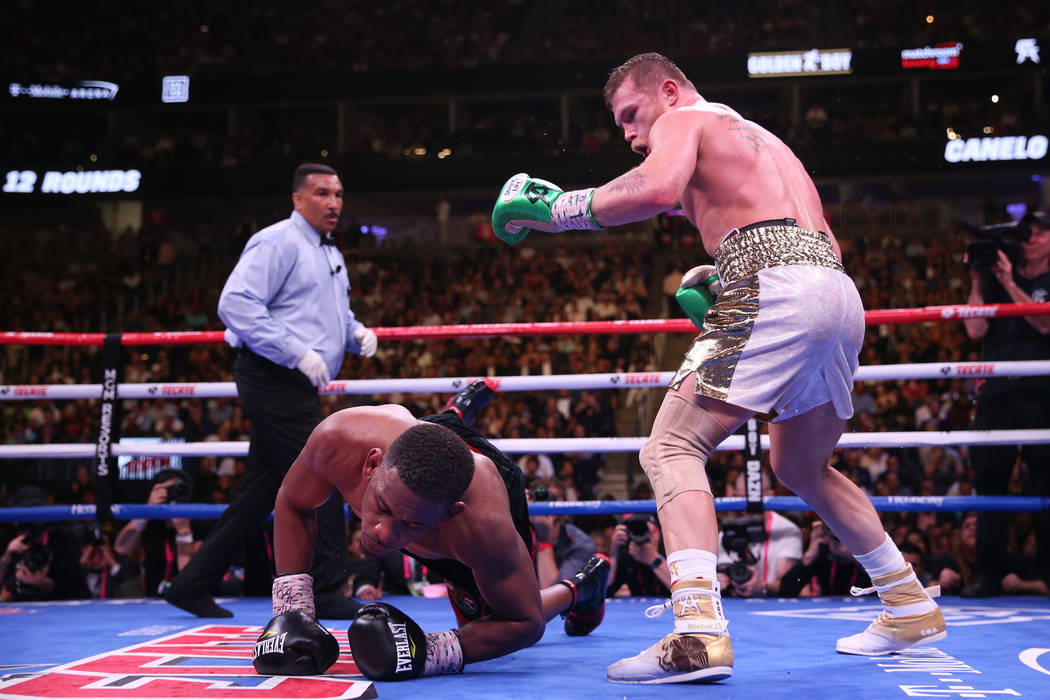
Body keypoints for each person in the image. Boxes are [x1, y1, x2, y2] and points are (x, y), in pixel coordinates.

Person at [490, 52, 945, 684]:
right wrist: (728, 275)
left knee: (671, 447)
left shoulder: (688, 120)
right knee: (800, 465)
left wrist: (557, 208)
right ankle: (907, 601)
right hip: (836, 292)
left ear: (669, 91)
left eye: (630, 115)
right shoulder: (765, 142)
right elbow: (805, 242)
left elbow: (652, 190)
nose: (627, 133)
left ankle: (698, 632)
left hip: (777, 284)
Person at [251, 380, 611, 680]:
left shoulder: (480, 528)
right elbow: (293, 502)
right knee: (430, 434)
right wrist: (293, 610)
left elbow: (525, 623)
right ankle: (454, 416)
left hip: (481, 481)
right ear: (372, 465)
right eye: (382, 507)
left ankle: (583, 585)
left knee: (485, 619)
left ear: (449, 514)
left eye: (409, 524)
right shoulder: (339, 441)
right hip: (425, 441)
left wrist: (429, 652)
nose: (384, 534)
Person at [163, 163, 379, 619]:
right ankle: (325, 587)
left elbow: (320, 313)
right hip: (272, 374)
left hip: (293, 379)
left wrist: (354, 332)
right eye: (322, 193)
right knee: (328, 471)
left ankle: (192, 582)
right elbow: (234, 304)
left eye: (338, 194)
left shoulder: (327, 251)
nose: (334, 203)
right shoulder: (277, 241)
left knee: (262, 492)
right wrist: (296, 351)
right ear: (298, 199)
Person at [962, 210, 1050, 597]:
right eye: (1024, 233)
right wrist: (980, 279)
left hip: (1042, 392)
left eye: (1036, 232)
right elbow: (975, 327)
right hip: (998, 392)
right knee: (989, 485)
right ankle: (988, 575)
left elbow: (1045, 324)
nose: (1028, 238)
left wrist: (1010, 283)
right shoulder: (997, 276)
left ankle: (1047, 574)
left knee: (1045, 484)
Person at [113, 469, 203, 597]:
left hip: (188, 598)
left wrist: (184, 533)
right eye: (168, 490)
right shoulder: (151, 522)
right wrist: (147, 511)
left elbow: (189, 579)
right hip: (151, 598)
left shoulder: (199, 520)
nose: (173, 494)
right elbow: (121, 548)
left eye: (178, 489)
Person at [529, 480, 598, 589]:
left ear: (562, 504)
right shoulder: (517, 536)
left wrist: (544, 541)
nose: (542, 503)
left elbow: (555, 595)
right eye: (537, 497)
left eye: (550, 497)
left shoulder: (581, 543)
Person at [606, 513, 671, 598]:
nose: (638, 533)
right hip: (636, 609)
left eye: (642, 528)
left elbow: (683, 588)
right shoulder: (626, 550)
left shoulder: (669, 547)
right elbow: (606, 590)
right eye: (632, 529)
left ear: (656, 531)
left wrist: (654, 559)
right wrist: (614, 553)